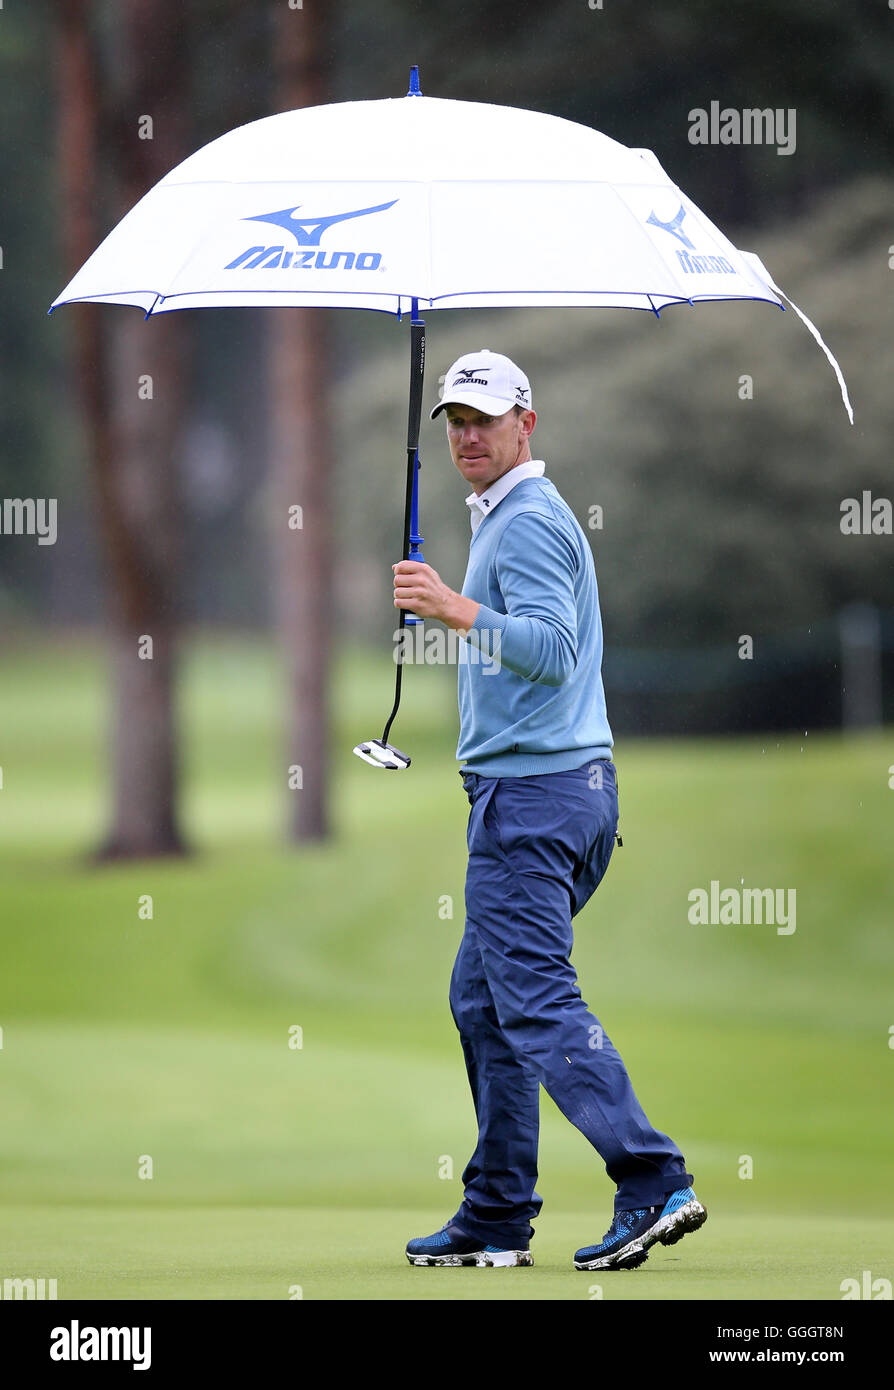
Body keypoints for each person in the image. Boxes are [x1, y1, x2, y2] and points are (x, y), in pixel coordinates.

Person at [393, 349, 706, 1271]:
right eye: (454, 419)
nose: (467, 435)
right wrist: (456, 604)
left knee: (529, 999)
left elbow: (554, 651)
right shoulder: (509, 518)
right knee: (482, 999)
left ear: (528, 423)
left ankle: (652, 1180)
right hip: (554, 793)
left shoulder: (527, 520)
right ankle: (496, 1214)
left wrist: (452, 607)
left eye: (486, 418)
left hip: (533, 802)